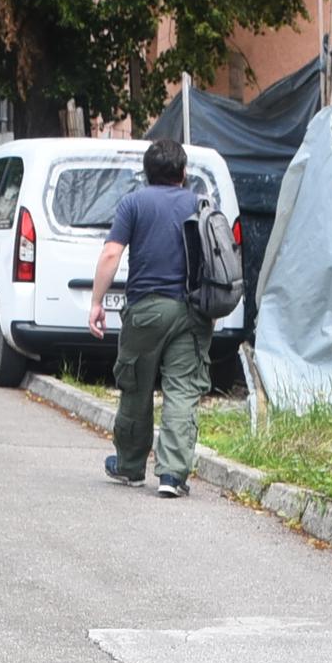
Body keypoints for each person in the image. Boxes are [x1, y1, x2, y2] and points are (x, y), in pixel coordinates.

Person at [90, 138, 208, 498]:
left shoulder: (134, 203)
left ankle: (129, 466)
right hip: (191, 311)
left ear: (147, 172)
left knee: (136, 386)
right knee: (182, 390)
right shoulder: (199, 204)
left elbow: (112, 254)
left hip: (144, 310)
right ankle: (172, 475)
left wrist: (96, 302)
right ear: (183, 172)